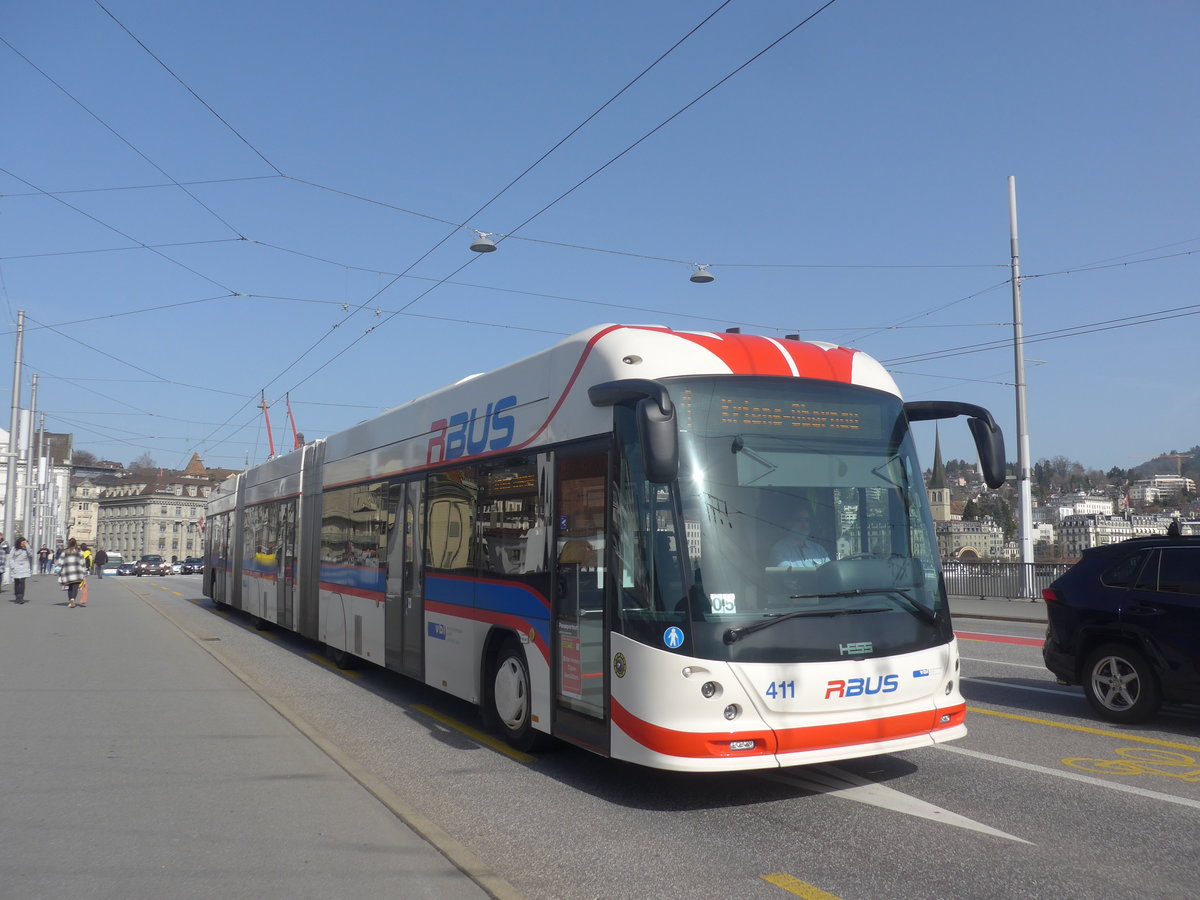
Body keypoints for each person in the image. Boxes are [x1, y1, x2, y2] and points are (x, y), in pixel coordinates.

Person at [58, 538, 87, 608]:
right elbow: (83, 564)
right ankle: (72, 599)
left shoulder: (64, 552)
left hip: (67, 574)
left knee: (70, 587)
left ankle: (70, 601)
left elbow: (60, 563)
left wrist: (58, 572)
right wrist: (84, 574)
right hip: (77, 573)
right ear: (76, 544)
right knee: (75, 587)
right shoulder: (79, 552)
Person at [9, 537, 33, 604]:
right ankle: (17, 596)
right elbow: (10, 557)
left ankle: (21, 597)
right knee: (17, 582)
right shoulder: (14, 548)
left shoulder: (27, 548)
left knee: (22, 582)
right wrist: (12, 566)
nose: (23, 544)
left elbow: (31, 554)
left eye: (25, 542)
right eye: (22, 542)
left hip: (24, 566)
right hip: (16, 566)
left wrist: (27, 546)